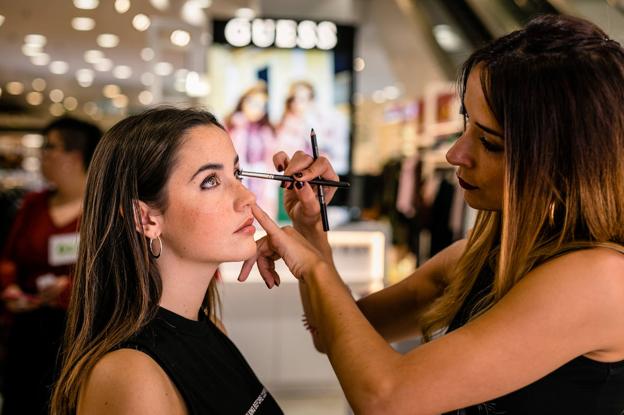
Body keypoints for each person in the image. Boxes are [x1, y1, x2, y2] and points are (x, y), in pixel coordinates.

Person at [240, 14, 624, 414]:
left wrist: (315, 268)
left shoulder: (600, 279)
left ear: (562, 161)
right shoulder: (477, 259)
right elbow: (335, 333)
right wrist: (310, 226)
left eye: (489, 142)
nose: (454, 154)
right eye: (467, 125)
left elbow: (386, 398)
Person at [50, 107, 283, 415]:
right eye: (210, 181)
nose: (247, 197)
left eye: (236, 174)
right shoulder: (132, 375)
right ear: (144, 217)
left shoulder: (209, 325)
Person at [0, 117, 102, 415]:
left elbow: (116, 271)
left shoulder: (105, 209)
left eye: (50, 147)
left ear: (75, 156)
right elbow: (9, 258)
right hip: (28, 332)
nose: (43, 154)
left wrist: (69, 290)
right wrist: (10, 288)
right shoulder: (33, 204)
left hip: (82, 332)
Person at [225, 82, 279, 219]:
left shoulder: (267, 129)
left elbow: (271, 157)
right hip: (238, 179)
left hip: (262, 181)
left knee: (263, 218)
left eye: (262, 106)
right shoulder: (232, 126)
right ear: (243, 102)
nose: (258, 109)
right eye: (254, 103)